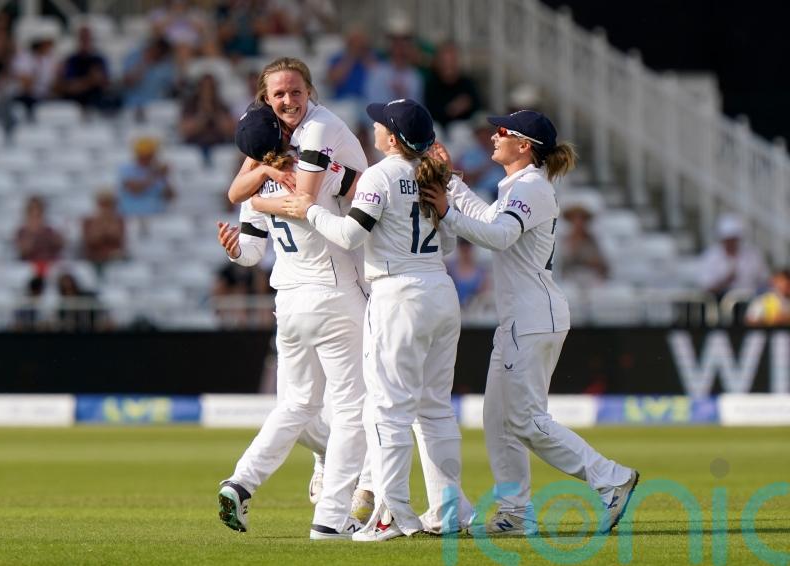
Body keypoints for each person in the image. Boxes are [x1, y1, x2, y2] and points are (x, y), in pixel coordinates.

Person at [421, 110, 639, 537]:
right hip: (521, 317)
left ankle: (610, 477)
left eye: (503, 131)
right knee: (497, 419)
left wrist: (447, 212)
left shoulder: (534, 187)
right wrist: (451, 183)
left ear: (525, 145)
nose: (494, 135)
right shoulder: (517, 186)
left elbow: (499, 236)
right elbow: (490, 222)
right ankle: (515, 512)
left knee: (523, 419)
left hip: (534, 316)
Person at [282, 99, 474, 541]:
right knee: (435, 411)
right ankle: (448, 513)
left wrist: (308, 210)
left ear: (392, 137)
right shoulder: (431, 174)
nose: (373, 126)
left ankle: (392, 515)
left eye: (380, 123)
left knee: (386, 411)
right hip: (440, 291)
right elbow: (446, 241)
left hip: (398, 294)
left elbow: (350, 234)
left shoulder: (380, 175)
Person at [217, 65, 371, 541]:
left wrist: (250, 212)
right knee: (352, 408)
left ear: (309, 91)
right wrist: (264, 186)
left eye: (295, 91)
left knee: (297, 404)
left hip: (289, 299)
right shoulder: (302, 151)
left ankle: (241, 483)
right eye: (279, 94)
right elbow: (305, 198)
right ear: (266, 100)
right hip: (334, 289)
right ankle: (333, 515)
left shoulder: (288, 153)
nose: (288, 100)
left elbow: (252, 248)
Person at [697, 213, 769, 300]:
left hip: (749, 301)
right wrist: (726, 281)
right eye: (728, 239)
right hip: (720, 303)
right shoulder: (711, 256)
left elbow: (764, 280)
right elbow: (706, 287)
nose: (731, 242)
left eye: (734, 239)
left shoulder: (752, 255)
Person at [179, 73, 236, 161]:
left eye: (210, 87)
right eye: (204, 87)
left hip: (219, 146)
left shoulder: (221, 105)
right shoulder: (190, 105)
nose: (207, 90)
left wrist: (214, 113)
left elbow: (229, 130)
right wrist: (203, 115)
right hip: (195, 146)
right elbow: (185, 130)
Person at [424, 41, 481, 128]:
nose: (448, 65)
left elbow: (478, 108)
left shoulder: (467, 83)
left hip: (463, 128)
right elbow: (430, 111)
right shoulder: (431, 84)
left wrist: (467, 105)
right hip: (438, 128)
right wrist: (452, 109)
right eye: (445, 61)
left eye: (452, 61)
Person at [117, 136, 175, 217]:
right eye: (143, 155)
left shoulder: (157, 171)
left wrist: (164, 178)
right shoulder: (126, 169)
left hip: (157, 215)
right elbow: (134, 189)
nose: (146, 159)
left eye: (149, 155)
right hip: (130, 215)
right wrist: (155, 175)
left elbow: (170, 197)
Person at [15, 195, 64, 271]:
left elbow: (59, 246)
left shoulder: (49, 231)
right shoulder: (22, 232)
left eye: (38, 213)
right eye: (32, 212)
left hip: (49, 267)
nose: (35, 216)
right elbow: (23, 251)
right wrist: (32, 232)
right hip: (29, 269)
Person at [81, 190, 126, 272]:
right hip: (94, 259)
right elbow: (91, 240)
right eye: (104, 204)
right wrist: (101, 224)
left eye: (109, 204)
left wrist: (107, 224)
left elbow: (118, 238)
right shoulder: (88, 221)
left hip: (114, 259)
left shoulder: (119, 220)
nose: (107, 207)